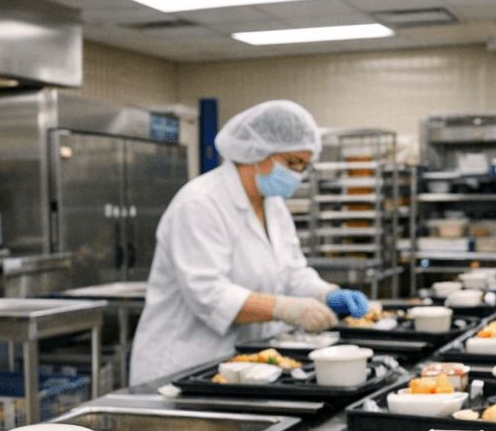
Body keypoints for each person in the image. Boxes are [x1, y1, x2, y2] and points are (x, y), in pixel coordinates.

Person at [127, 100, 370, 386]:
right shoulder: (200, 203)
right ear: (257, 152)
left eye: (304, 166)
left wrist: (325, 294)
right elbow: (210, 296)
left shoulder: (273, 205)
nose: (298, 174)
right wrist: (286, 309)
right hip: (182, 365)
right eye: (292, 163)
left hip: (244, 365)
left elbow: (291, 273)